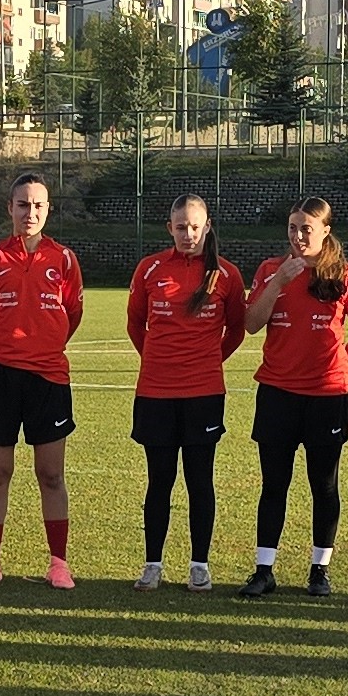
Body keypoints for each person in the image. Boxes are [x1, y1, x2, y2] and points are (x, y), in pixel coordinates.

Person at [0, 173, 85, 589]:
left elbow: (72, 315)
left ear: (48, 209)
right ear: (10, 209)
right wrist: (8, 349)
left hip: (48, 377)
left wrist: (43, 346)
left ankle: (58, 562)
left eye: (38, 205)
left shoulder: (65, 259)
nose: (29, 212)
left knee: (51, 474)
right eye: (22, 204)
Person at [124, 194, 248, 591]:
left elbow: (237, 330)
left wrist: (207, 361)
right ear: (170, 228)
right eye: (181, 227)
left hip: (204, 394)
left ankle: (200, 564)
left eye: (195, 226)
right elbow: (135, 325)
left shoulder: (226, 274)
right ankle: (153, 564)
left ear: (207, 226)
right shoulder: (150, 269)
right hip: (156, 393)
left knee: (200, 480)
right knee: (159, 479)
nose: (188, 234)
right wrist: (160, 361)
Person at [240, 198, 348, 599]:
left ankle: (319, 570)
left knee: (323, 485)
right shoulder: (271, 270)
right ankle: (263, 569)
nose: (298, 236)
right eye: (292, 228)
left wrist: (344, 357)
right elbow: (251, 325)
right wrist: (278, 282)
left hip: (327, 395)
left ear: (326, 231)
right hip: (277, 393)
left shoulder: (346, 275)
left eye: (307, 228)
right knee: (274, 483)